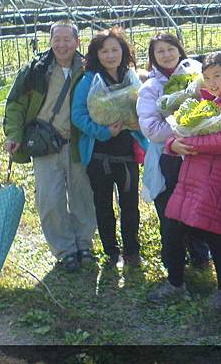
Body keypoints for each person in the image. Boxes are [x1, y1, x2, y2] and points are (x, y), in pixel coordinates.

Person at [148, 52, 221, 307]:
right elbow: (178, 132)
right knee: (172, 226)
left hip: (217, 178)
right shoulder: (206, 100)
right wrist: (173, 144)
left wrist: (187, 143)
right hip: (191, 174)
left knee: (213, 233)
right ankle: (176, 283)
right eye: (207, 77)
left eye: (218, 75)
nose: (213, 82)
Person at [3, 20, 97, 272]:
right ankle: (65, 249)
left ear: (77, 42)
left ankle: (84, 244)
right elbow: (15, 105)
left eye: (68, 39)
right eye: (57, 39)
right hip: (45, 144)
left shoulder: (88, 69)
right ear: (50, 41)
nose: (62, 44)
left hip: (77, 143)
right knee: (50, 199)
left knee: (82, 195)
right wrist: (14, 134)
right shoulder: (36, 70)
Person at [71, 27, 148, 267]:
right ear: (96, 54)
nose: (110, 55)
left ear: (123, 52)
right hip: (99, 154)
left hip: (126, 153)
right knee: (103, 204)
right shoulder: (88, 80)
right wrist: (104, 131)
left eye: (115, 49)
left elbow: (143, 107)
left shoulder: (131, 77)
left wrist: (135, 122)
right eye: (104, 51)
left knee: (129, 204)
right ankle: (111, 250)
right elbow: (78, 115)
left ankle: (132, 250)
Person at [137, 33, 210, 269]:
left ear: (179, 50)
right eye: (160, 51)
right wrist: (186, 125)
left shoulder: (198, 74)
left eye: (170, 49)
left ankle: (200, 254)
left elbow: (215, 104)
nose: (166, 55)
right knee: (170, 210)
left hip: (198, 154)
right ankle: (173, 263)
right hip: (166, 158)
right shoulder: (150, 88)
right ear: (153, 57)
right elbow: (151, 129)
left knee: (197, 206)